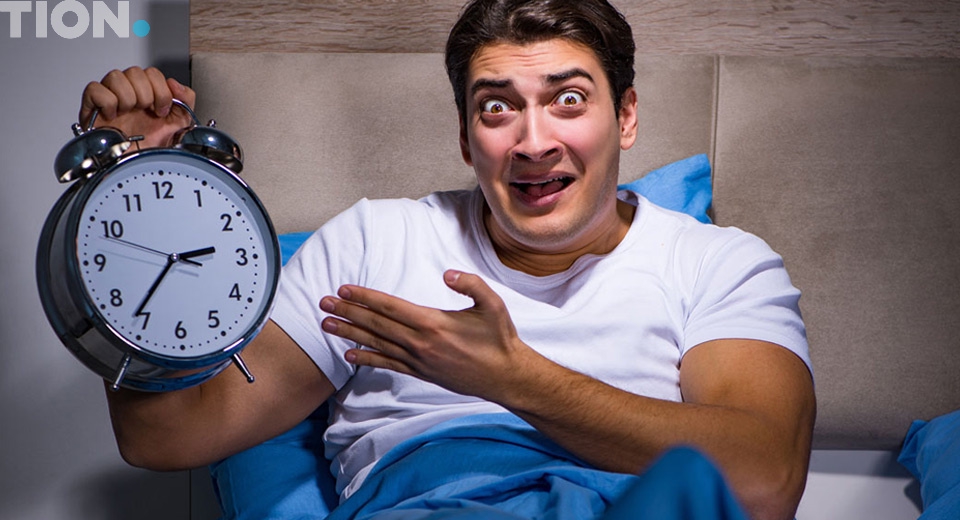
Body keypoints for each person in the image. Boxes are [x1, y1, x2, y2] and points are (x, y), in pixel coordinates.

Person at [80, 0, 816, 518]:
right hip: (425, 507)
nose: (533, 142)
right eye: (497, 107)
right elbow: (164, 434)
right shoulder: (374, 242)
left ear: (624, 117)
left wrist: (512, 378)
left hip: (625, 507)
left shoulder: (718, 264)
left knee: (687, 487)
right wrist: (134, 191)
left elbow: (766, 481)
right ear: (466, 138)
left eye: (567, 100)